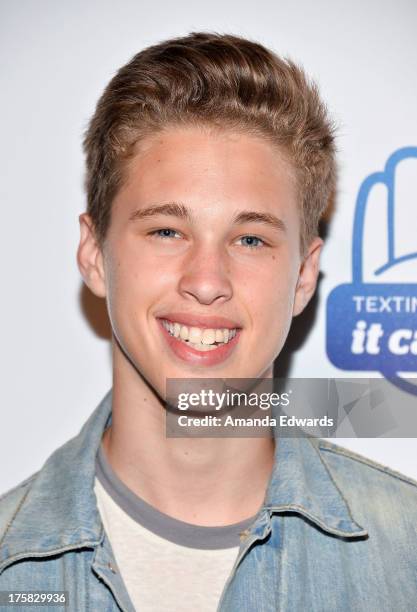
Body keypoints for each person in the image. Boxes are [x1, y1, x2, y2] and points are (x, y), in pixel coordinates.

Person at [0, 32, 416, 612]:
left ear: (303, 277)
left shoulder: (407, 559)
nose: (205, 280)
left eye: (250, 239)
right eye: (167, 231)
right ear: (94, 254)